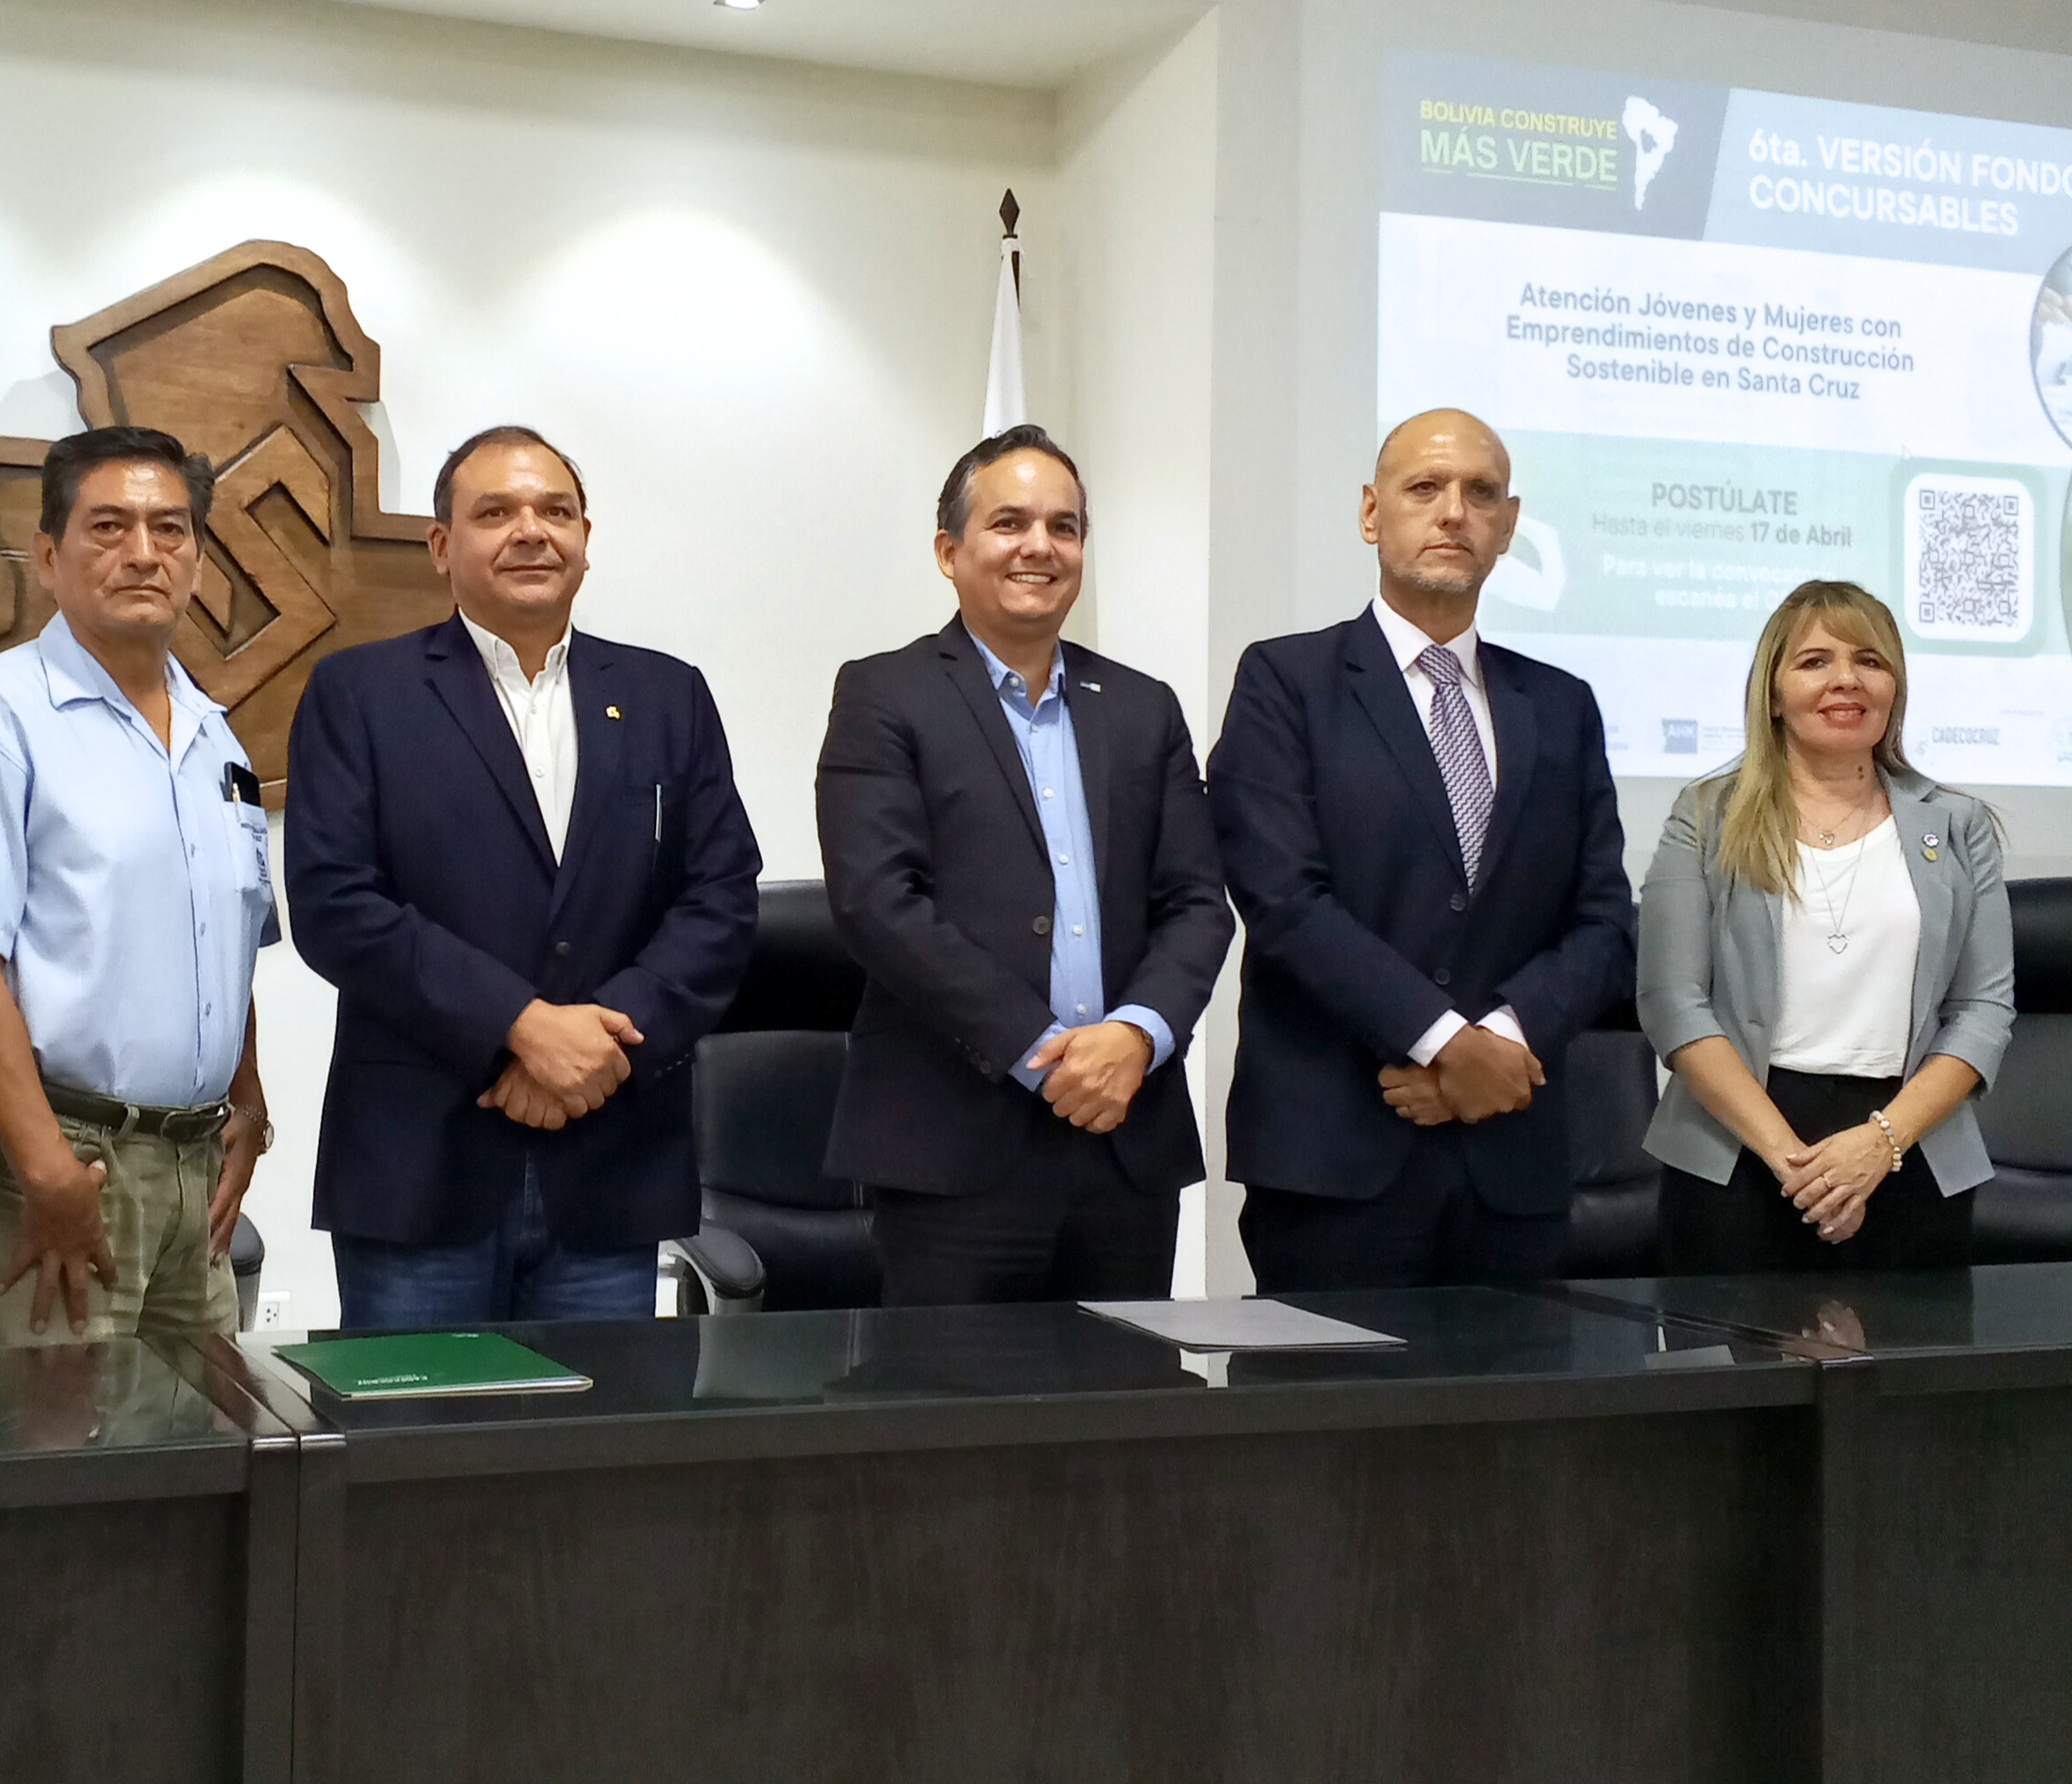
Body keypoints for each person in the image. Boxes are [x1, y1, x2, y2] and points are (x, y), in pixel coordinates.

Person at [284, 425, 760, 1329]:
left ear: (586, 539)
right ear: (440, 545)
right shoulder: (361, 694)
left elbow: (721, 898)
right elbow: (334, 904)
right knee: (422, 1420)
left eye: (556, 511)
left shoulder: (668, 695)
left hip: (611, 1164)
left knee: (602, 1420)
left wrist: (604, 1045)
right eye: (495, 512)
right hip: (420, 1169)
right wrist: (520, 1027)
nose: (531, 531)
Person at [1208, 408, 1635, 1291]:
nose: (1453, 513)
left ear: (1509, 525)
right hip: (1336, 1158)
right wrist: (1445, 1043)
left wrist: (1498, 1046)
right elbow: (1285, 902)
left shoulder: (1561, 705)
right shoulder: (1286, 683)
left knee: (1519, 1388)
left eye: (1481, 493)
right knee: (1333, 1390)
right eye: (1425, 488)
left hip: (1512, 1162)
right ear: (1372, 513)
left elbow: (1602, 922)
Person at [815, 424, 1233, 1304]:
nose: (1040, 546)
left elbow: (1197, 903)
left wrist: (1137, 1036)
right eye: (1009, 523)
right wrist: (1045, 1053)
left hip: (1126, 1139)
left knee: (1126, 1390)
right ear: (949, 551)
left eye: (1064, 526)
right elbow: (877, 901)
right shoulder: (885, 694)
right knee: (954, 1394)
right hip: (951, 1147)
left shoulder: (1143, 707)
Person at [0, 425, 277, 1349]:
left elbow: (227, 943)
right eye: (109, 527)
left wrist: (248, 1102)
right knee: (44, 1438)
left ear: (198, 558)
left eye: (170, 529)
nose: (144, 553)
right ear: (48, 555)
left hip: (197, 1173)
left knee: (199, 1436)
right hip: (58, 1163)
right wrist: (47, 1171)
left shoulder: (216, 735)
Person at [1638, 581, 2011, 1271]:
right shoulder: (1707, 815)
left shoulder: (1959, 826)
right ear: (1774, 695)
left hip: (1911, 1153)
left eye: (1870, 660)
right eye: (1815, 661)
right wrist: (1800, 1167)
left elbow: (1983, 1009)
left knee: (1912, 1347)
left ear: (1894, 688)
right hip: (1736, 1156)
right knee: (1730, 1349)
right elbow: (1673, 1002)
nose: (1847, 679)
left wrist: (1879, 1145)